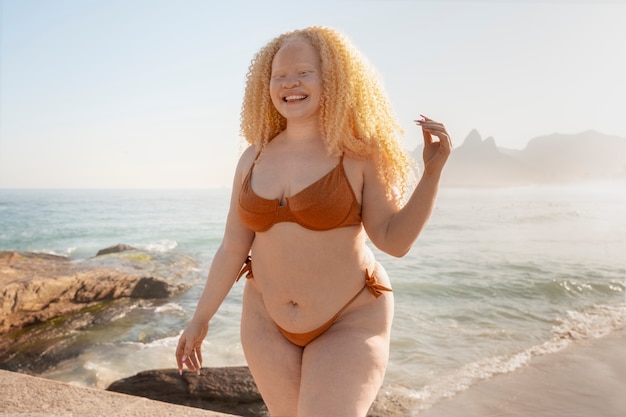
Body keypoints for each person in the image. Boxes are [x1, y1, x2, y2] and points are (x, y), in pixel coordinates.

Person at [176, 26, 452, 417]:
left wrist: (432, 173)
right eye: (278, 76)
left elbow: (393, 241)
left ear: (333, 79)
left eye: (303, 72)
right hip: (265, 321)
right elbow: (232, 248)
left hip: (350, 317)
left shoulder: (359, 154)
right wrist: (199, 320)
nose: (290, 83)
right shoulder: (252, 158)